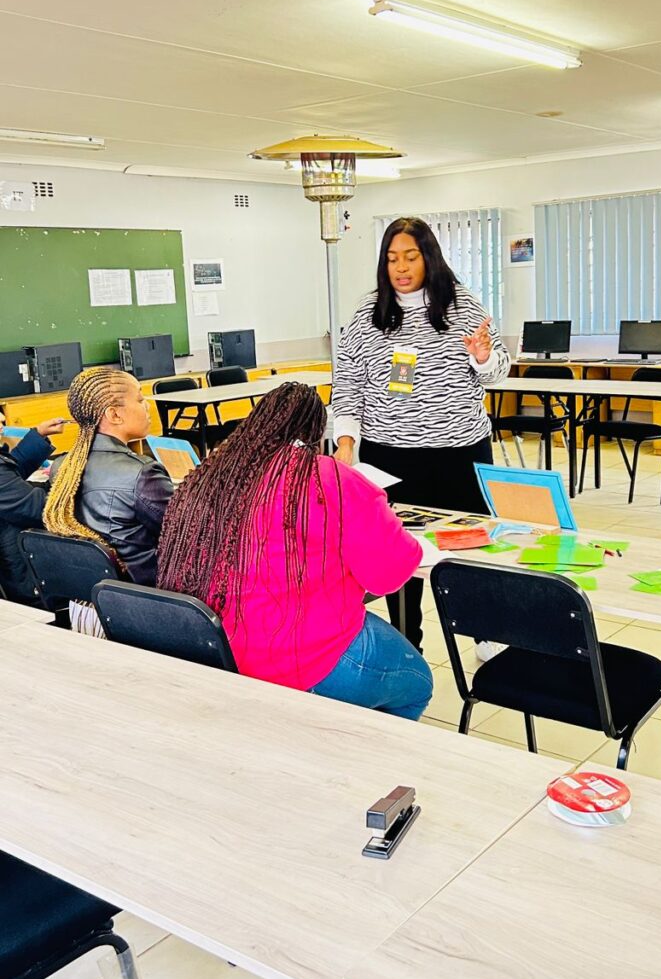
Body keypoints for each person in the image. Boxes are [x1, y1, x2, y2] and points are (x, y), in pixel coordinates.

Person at [157, 381, 434, 719]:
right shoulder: (334, 479)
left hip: (216, 647)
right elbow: (388, 576)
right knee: (418, 685)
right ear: (316, 432)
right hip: (303, 655)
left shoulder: (214, 474)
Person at [332, 216, 511, 649]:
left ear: (429, 257)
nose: (401, 267)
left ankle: (483, 632)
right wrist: (346, 442)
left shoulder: (462, 306)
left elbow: (498, 372)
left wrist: (483, 358)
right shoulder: (369, 312)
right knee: (398, 551)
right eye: (392, 258)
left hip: (458, 452)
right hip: (391, 455)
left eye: (410, 257)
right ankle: (407, 638)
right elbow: (348, 382)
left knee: (468, 546)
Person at [44, 367, 173, 585]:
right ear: (114, 414)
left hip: (93, 593)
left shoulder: (61, 466)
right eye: (140, 400)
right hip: (147, 593)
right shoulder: (142, 473)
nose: (147, 406)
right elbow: (189, 530)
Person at [0, 407, 65, 604]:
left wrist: (38, 435)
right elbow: (39, 509)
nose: (2, 417)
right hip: (23, 579)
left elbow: (10, 472)